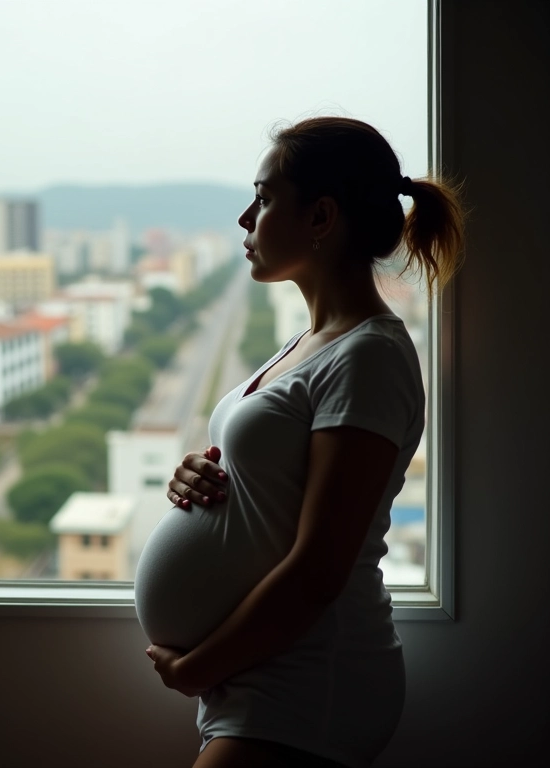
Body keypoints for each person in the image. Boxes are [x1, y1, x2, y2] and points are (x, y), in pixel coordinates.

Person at [135, 116, 465, 768]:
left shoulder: (368, 358)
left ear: (320, 216)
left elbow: (320, 568)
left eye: (262, 198)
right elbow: (272, 489)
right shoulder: (311, 343)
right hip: (265, 671)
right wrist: (195, 481)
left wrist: (200, 667)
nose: (244, 219)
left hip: (309, 681)